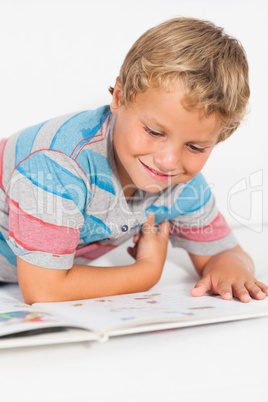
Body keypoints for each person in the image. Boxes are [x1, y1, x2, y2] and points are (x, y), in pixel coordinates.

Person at [0, 17, 267, 304]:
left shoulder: (181, 183)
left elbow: (224, 252)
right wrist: (146, 272)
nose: (168, 161)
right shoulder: (59, 165)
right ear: (119, 97)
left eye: (195, 146)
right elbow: (43, 289)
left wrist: (231, 269)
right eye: (153, 131)